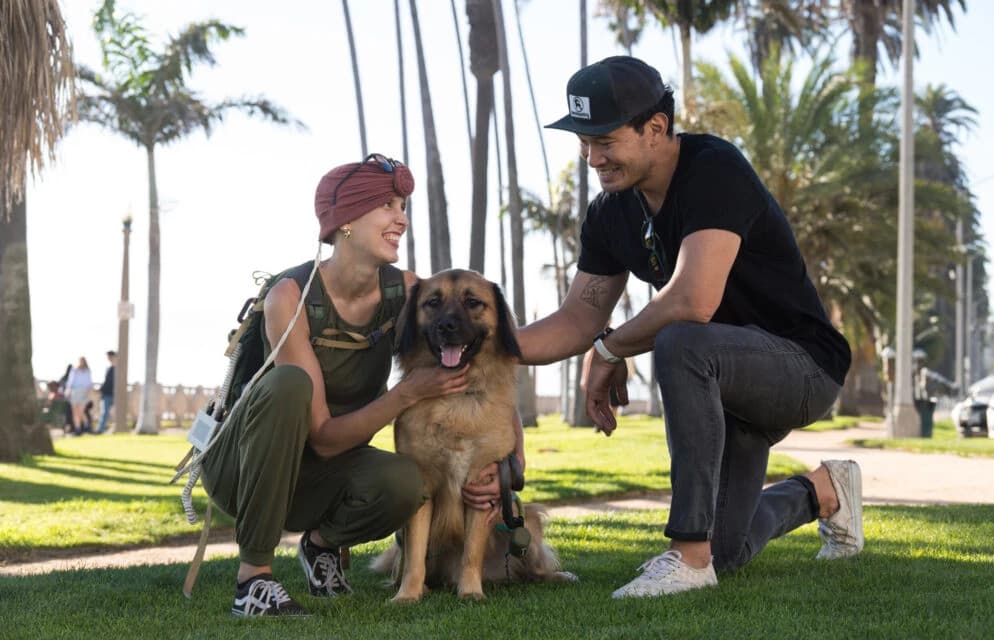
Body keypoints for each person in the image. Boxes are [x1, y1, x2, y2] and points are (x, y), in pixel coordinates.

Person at [515, 56, 860, 598]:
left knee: (679, 339)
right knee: (730, 548)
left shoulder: (713, 168)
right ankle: (824, 491)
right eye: (583, 142)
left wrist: (608, 351)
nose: (591, 157)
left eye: (604, 140)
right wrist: (491, 346)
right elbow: (579, 317)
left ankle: (688, 558)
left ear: (656, 128)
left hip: (802, 367)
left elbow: (693, 300)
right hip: (721, 382)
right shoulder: (610, 211)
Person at [199, 154, 511, 617]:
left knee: (406, 482)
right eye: (387, 205)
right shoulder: (291, 295)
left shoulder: (409, 293)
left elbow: (493, 353)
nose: (401, 219)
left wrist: (506, 462)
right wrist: (408, 393)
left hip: (318, 476)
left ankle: (321, 547)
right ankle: (253, 580)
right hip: (245, 469)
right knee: (288, 384)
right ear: (344, 220)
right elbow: (323, 438)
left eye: (402, 206)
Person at [64, 357, 94, 436]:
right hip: (74, 392)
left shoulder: (87, 371)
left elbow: (89, 383)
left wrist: (89, 393)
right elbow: (70, 381)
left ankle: (87, 425)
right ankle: (78, 429)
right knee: (75, 412)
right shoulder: (74, 370)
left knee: (81, 411)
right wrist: (68, 390)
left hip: (83, 392)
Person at [97, 351, 116, 434]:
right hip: (106, 394)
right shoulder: (109, 369)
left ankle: (103, 429)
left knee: (110, 413)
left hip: (114, 394)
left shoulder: (119, 368)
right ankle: (100, 429)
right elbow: (106, 382)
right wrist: (100, 390)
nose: (109, 359)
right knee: (104, 413)